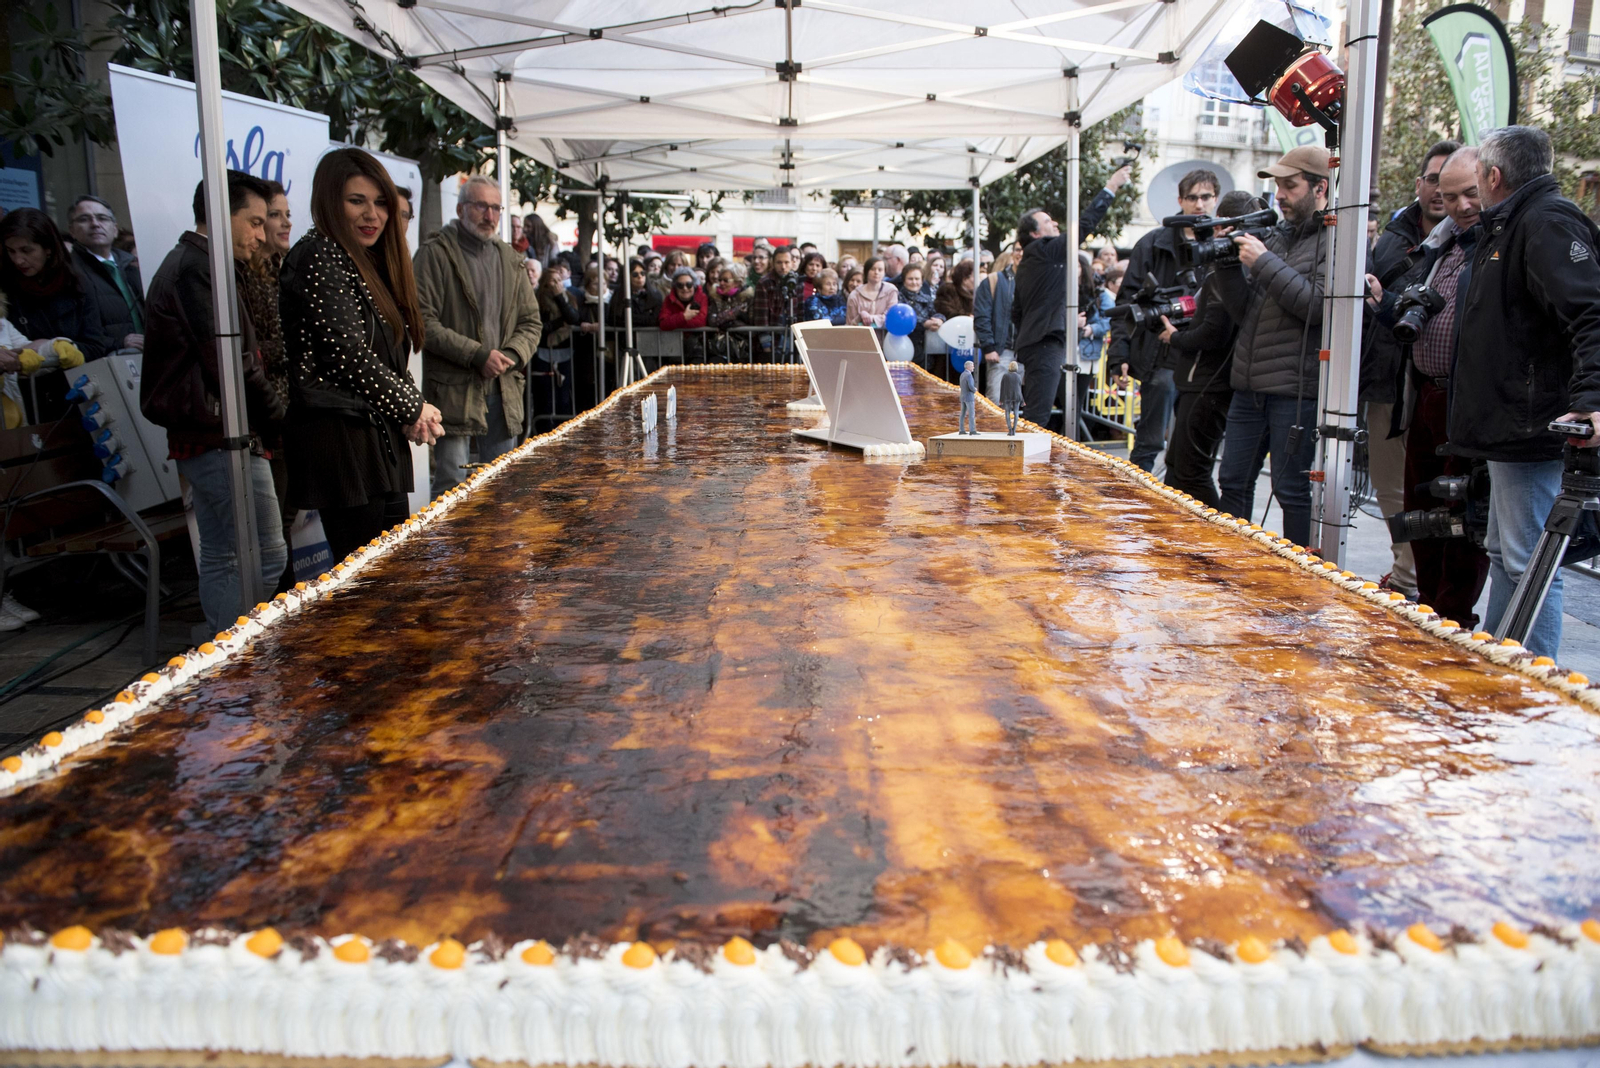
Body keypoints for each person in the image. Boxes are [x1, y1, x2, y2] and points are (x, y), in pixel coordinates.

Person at [1453, 126, 1600, 657]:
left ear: (1493, 176)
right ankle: (1498, 665)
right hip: (1511, 419)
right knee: (1506, 552)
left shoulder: (1543, 223)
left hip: (1530, 420)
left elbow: (1591, 312)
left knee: (1531, 560)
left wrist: (1590, 399)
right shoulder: (1515, 223)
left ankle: (1534, 690)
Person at [279, 147, 443, 564]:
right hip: (342, 443)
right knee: (369, 584)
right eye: (357, 201)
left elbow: (384, 354)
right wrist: (412, 407)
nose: (372, 214)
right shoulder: (319, 254)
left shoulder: (360, 259)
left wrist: (411, 408)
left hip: (373, 439)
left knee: (389, 575)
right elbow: (347, 354)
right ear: (330, 201)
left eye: (381, 203)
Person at [140, 170, 286, 634]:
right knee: (264, 553)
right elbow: (232, 366)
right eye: (256, 222)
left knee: (226, 552)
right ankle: (231, 659)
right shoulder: (199, 268)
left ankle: (222, 654)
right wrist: (282, 422)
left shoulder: (200, 264)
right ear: (222, 215)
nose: (262, 235)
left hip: (211, 430)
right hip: (217, 432)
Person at [1375, 146, 1488, 625]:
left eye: (1470, 193)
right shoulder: (1439, 245)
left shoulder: (1498, 243)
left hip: (1470, 400)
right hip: (1423, 392)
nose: (1461, 205)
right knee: (1420, 511)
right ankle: (1427, 609)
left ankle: (1452, 620)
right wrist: (1387, 305)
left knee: (1460, 518)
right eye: (1449, 194)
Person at [1215, 146, 1333, 547]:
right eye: (1278, 186)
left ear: (1320, 189)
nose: (1279, 194)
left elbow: (1317, 307)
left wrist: (1262, 262)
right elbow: (1247, 310)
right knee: (1232, 480)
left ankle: (1301, 582)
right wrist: (1227, 267)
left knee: (1292, 494)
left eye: (1289, 185)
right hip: (1250, 387)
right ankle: (1232, 567)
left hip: (1293, 392)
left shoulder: (1335, 241)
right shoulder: (1280, 238)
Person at [1366, 141, 1460, 597]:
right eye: (1434, 179)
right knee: (1391, 487)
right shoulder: (1392, 235)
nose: (1442, 192)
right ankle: (1406, 574)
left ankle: (1420, 583)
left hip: (1442, 388)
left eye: (1453, 182)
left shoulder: (1473, 239)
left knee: (1436, 493)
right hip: (1388, 379)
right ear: (1419, 184)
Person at [413, 174, 543, 497]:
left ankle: (499, 550)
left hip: (503, 387)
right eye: (481, 206)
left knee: (502, 484)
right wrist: (477, 355)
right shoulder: (435, 254)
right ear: (460, 208)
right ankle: (451, 550)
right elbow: (422, 322)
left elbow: (531, 322)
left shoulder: (510, 259)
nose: (490, 216)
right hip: (453, 391)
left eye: (496, 208)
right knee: (452, 488)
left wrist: (511, 355)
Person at [1007, 163, 1134, 429]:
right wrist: (1110, 187)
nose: (1054, 224)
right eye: (1047, 222)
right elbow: (1084, 225)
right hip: (1044, 344)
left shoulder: (1031, 262)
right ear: (1035, 234)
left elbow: (1017, 311)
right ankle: (1029, 469)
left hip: (1036, 343)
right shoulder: (1044, 250)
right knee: (1038, 418)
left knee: (1046, 412)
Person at [1109, 167, 1219, 472]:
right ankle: (1135, 505)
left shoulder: (1220, 244)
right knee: (1150, 443)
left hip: (1206, 360)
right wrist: (1118, 355)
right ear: (1181, 199)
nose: (1199, 204)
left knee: (1195, 448)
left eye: (1206, 197)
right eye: (1193, 197)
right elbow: (1126, 304)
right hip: (1162, 357)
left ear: (1215, 199)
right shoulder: (1153, 243)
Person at [1157, 191, 1261, 509]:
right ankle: (1180, 540)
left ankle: (1214, 541)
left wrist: (1174, 337)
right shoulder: (1230, 270)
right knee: (1177, 471)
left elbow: (1214, 332)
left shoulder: (1231, 270)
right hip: (1202, 382)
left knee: (1192, 473)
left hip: (1209, 384)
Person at [240, 179, 294, 589]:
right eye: (272, 215)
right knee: (274, 530)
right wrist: (302, 347)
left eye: (285, 215)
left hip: (289, 406)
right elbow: (254, 351)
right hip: (266, 413)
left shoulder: (282, 269)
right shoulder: (248, 276)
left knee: (288, 516)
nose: (282, 223)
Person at [0, 208, 111, 372]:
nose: (18, 260)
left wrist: (54, 348)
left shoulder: (77, 284)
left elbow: (95, 346)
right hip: (22, 389)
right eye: (11, 251)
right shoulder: (5, 287)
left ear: (48, 248)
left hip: (75, 385)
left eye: (26, 250)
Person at [67, 195, 144, 353]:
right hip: (108, 363)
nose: (95, 224)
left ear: (115, 229)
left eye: (102, 218)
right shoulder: (69, 271)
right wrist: (117, 342)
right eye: (84, 219)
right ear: (72, 231)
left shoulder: (130, 265)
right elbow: (72, 333)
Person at [533, 266, 581, 424]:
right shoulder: (538, 300)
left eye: (559, 280)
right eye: (552, 281)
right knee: (545, 399)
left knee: (563, 398)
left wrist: (560, 297)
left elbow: (573, 318)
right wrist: (562, 322)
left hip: (565, 352)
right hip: (544, 353)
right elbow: (542, 327)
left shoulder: (568, 297)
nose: (556, 284)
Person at [976, 245, 1017, 403]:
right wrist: (989, 347)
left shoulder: (1028, 282)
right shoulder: (992, 282)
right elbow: (982, 317)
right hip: (1001, 349)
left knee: (1017, 405)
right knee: (996, 402)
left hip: (1024, 350)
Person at [897, 262, 936, 365]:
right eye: (910, 279)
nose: (914, 282)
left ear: (922, 281)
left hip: (924, 347)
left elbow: (936, 312)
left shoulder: (927, 299)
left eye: (917, 279)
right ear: (904, 280)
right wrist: (924, 323)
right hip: (903, 346)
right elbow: (903, 318)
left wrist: (939, 320)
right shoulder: (898, 297)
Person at [847, 257, 898, 332]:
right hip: (861, 337)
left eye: (880, 270)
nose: (876, 272)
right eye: (873, 269)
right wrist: (861, 315)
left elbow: (891, 316)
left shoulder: (891, 291)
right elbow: (850, 323)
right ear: (866, 271)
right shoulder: (855, 295)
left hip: (885, 337)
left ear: (884, 272)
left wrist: (872, 318)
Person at [1000, 360, 1023, 434]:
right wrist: (1022, 400)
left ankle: (1010, 429)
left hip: (1007, 397)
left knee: (1007, 413)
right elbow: (1019, 389)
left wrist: (1001, 399)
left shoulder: (1005, 376)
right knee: (1016, 413)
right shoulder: (1018, 376)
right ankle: (1014, 429)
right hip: (1017, 396)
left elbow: (1002, 388)